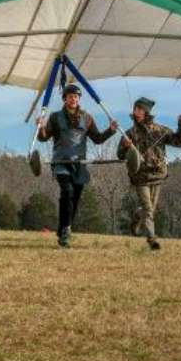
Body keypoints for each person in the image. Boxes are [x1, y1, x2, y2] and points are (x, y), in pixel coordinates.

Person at [36, 84, 118, 248]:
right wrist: (40, 126)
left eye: (76, 96)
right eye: (70, 96)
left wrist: (111, 130)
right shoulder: (55, 117)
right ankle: (66, 232)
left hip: (79, 164)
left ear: (79, 99)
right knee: (67, 192)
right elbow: (43, 138)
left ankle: (64, 227)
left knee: (75, 199)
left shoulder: (87, 118)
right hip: (61, 162)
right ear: (65, 98)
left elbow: (97, 139)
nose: (73, 99)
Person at [117, 97, 181, 250]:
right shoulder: (129, 133)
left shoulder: (160, 131)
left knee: (148, 209)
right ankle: (152, 239)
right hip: (140, 177)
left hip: (157, 176)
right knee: (148, 208)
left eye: (140, 109)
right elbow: (120, 155)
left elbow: (179, 142)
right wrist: (125, 146)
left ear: (146, 112)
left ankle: (137, 216)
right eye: (135, 109)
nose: (136, 112)